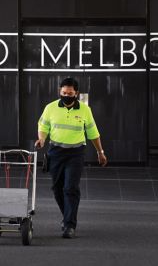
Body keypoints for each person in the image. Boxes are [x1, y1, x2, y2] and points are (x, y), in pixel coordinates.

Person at [35, 77, 107, 239]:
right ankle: (67, 216)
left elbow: (93, 134)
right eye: (64, 93)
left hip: (76, 153)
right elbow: (43, 126)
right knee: (57, 189)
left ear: (76, 94)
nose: (66, 95)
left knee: (70, 189)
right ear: (59, 92)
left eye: (70, 93)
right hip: (55, 152)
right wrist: (42, 139)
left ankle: (69, 225)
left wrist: (100, 152)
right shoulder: (50, 108)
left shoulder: (84, 110)